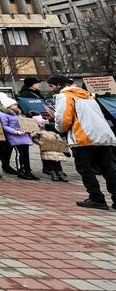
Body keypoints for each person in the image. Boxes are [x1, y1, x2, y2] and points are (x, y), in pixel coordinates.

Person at [51, 75, 116, 209]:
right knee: (108, 169)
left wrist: (59, 128)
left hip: (83, 137)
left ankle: (96, 198)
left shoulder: (64, 96)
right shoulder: (86, 95)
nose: (51, 89)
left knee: (85, 169)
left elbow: (64, 119)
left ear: (58, 85)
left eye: (51, 86)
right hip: (102, 136)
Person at [0, 94, 38, 180]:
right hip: (15, 136)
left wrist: (30, 129)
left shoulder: (16, 113)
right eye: (14, 105)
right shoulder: (3, 114)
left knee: (26, 153)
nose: (16, 106)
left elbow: (23, 122)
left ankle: (27, 170)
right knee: (20, 154)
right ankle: (21, 171)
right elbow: (5, 126)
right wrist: (15, 132)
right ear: (8, 106)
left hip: (24, 134)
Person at [30, 116, 69, 182]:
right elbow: (34, 138)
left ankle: (60, 173)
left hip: (56, 150)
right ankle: (53, 173)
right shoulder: (39, 132)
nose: (42, 125)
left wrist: (63, 144)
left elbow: (59, 139)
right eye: (40, 124)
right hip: (47, 150)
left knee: (57, 162)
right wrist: (39, 142)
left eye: (43, 124)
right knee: (50, 162)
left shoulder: (53, 133)